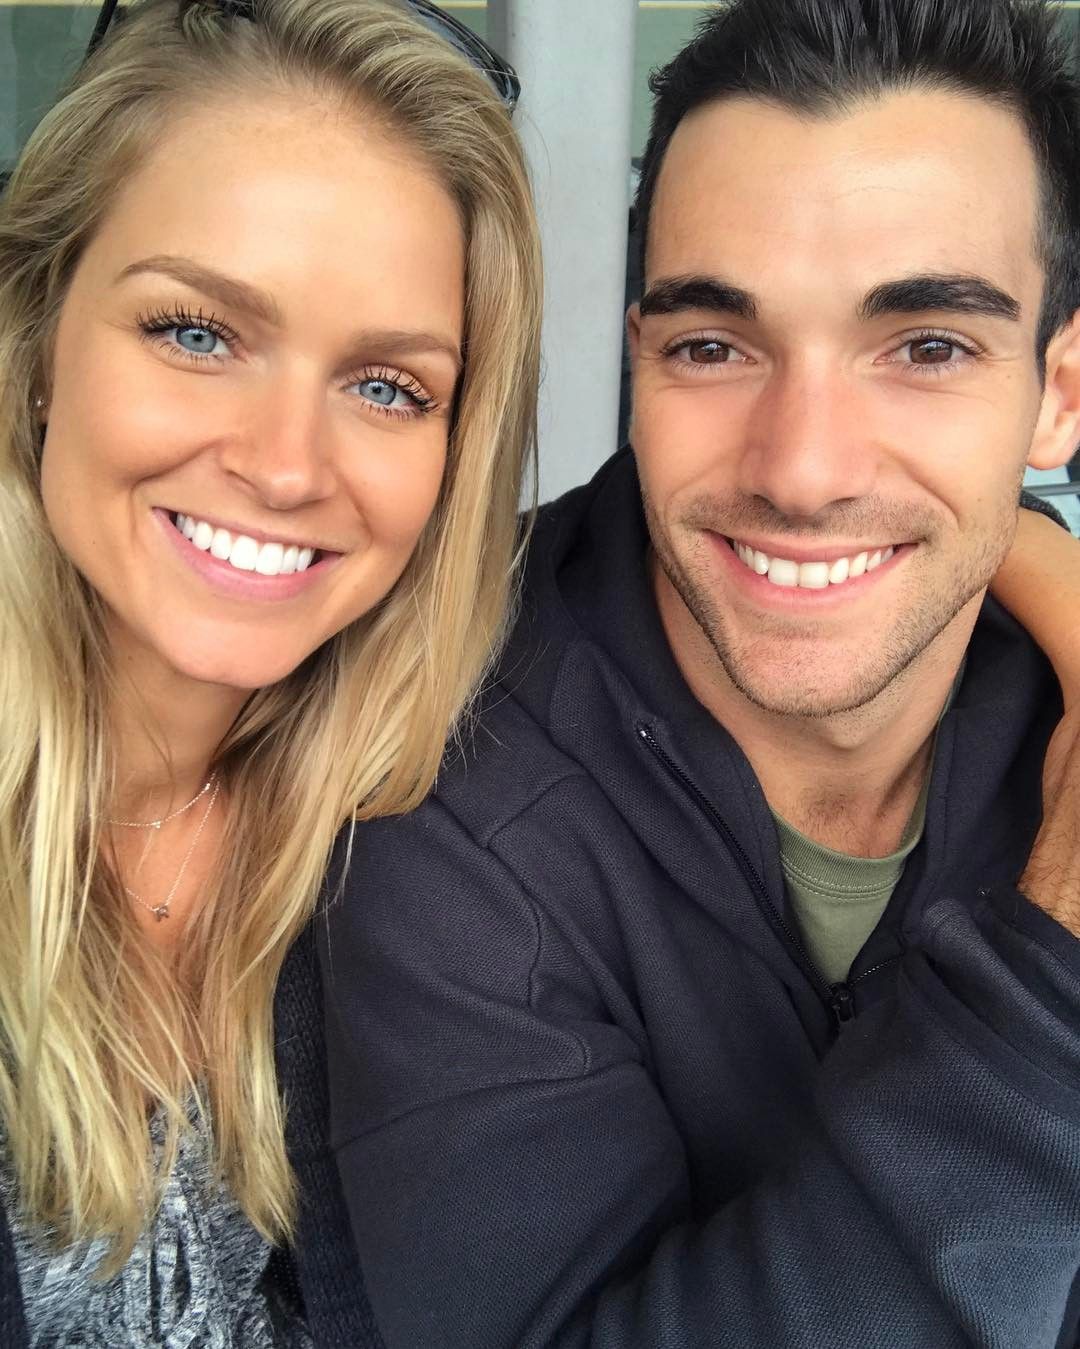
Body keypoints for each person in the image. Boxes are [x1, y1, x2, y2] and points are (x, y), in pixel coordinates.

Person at [322, 0, 1080, 1345]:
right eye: (714, 346)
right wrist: (1053, 983)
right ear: (641, 358)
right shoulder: (435, 774)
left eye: (927, 348)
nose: (802, 468)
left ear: (1059, 393)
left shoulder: (1043, 681)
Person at [0, 0, 541, 1342]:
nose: (289, 465)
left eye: (389, 387)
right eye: (196, 331)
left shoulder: (411, 837)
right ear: (37, 338)